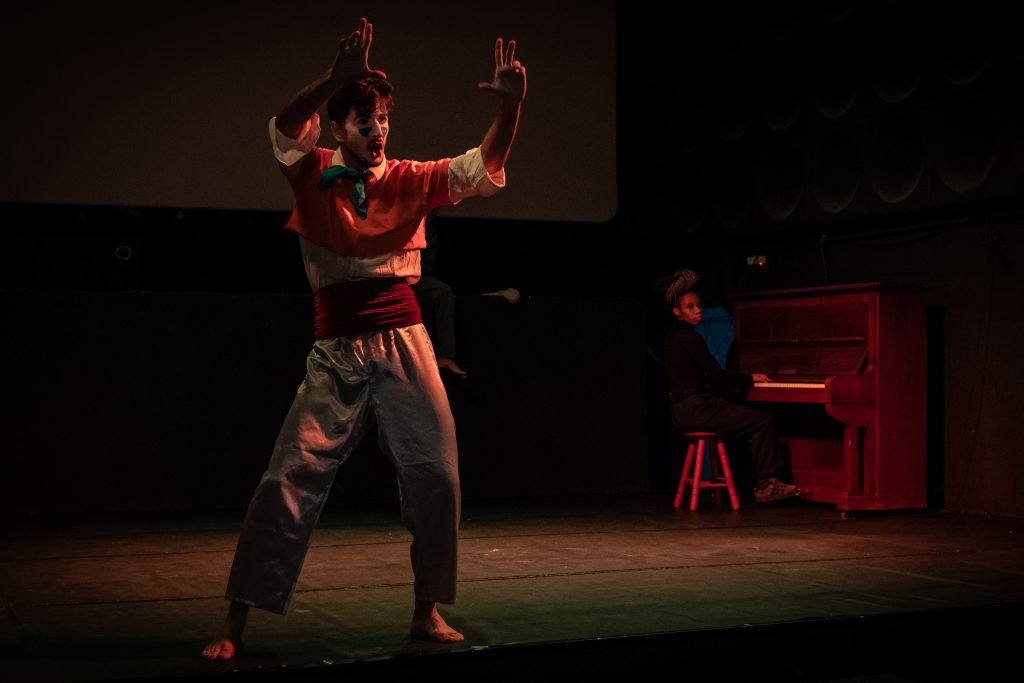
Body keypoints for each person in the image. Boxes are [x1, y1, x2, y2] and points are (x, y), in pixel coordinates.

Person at [202, 18, 526, 660]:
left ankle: (425, 610)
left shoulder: (409, 177)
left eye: (383, 120)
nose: (378, 131)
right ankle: (236, 623)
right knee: (288, 477)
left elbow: (482, 166)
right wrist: (334, 80)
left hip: (405, 338)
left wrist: (511, 109)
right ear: (342, 124)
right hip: (336, 347)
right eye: (366, 120)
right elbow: (282, 126)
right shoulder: (311, 169)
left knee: (436, 474)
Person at [662, 269, 801, 504]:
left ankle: (746, 481)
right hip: (696, 409)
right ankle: (767, 483)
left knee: (739, 415)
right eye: (690, 307)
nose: (698, 310)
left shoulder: (671, 339)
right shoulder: (691, 339)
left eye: (698, 305)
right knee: (760, 420)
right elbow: (717, 375)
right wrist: (750, 379)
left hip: (680, 410)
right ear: (677, 312)